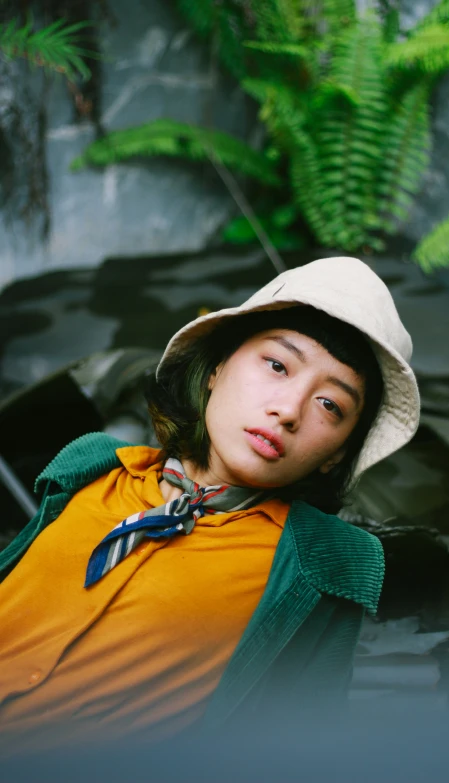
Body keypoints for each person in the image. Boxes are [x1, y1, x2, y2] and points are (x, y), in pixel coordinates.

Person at [0, 256, 419, 753]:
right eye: (278, 365)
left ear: (339, 454)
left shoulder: (316, 565)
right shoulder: (92, 466)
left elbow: (304, 741)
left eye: (330, 405)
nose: (287, 411)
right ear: (216, 369)